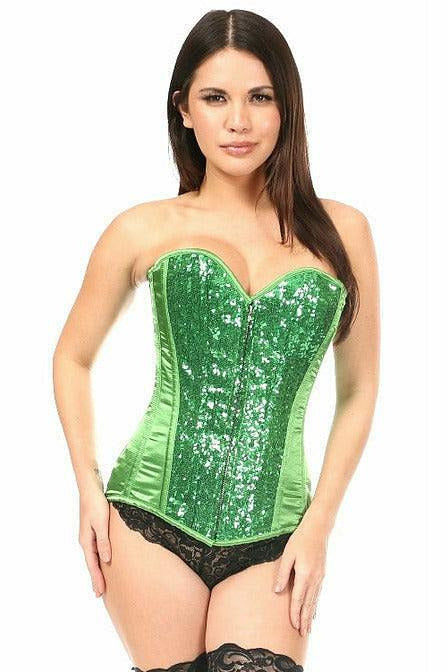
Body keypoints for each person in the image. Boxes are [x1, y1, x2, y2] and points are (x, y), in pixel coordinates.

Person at [52, 9, 380, 672]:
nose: (238, 121)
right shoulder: (141, 229)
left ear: (287, 107)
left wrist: (318, 525)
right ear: (183, 110)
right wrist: (88, 487)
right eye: (215, 98)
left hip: (277, 532)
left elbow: (359, 389)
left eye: (260, 97)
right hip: (148, 520)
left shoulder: (343, 232)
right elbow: (72, 357)